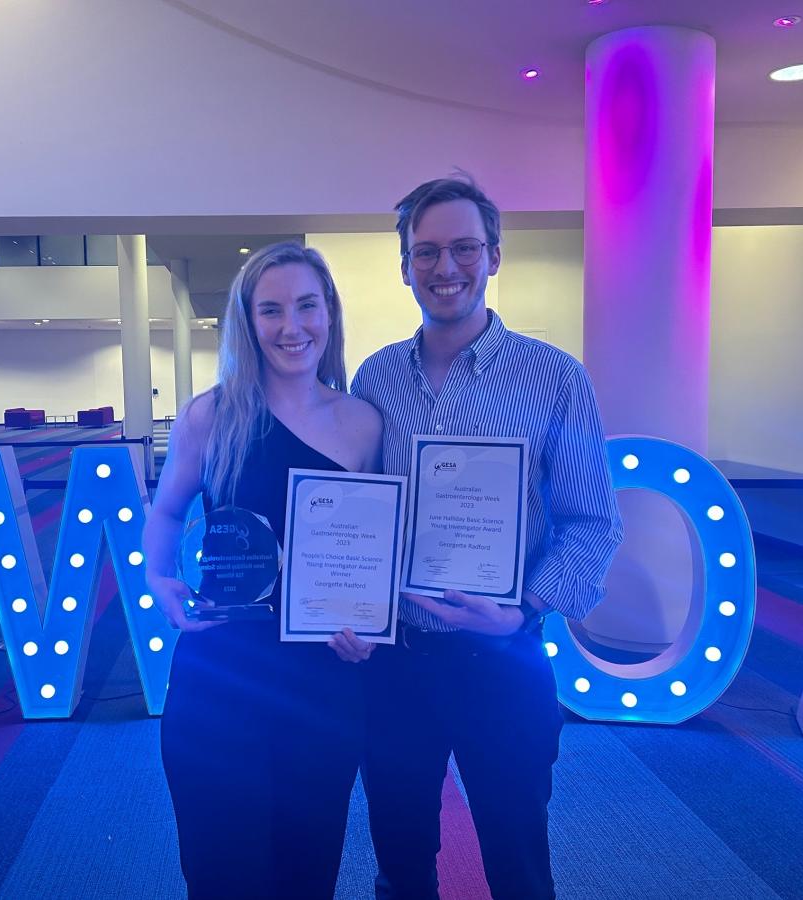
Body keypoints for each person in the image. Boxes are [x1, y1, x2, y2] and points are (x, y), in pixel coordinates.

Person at [348, 176, 623, 899]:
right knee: (399, 859)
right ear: (405, 264)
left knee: (517, 853)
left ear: (494, 255)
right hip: (396, 664)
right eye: (427, 252)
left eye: (464, 248)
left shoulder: (555, 378)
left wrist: (524, 608)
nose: (446, 269)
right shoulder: (374, 378)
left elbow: (591, 521)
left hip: (504, 656)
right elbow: (359, 517)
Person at [143, 241, 383, 900]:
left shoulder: (362, 423)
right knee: (222, 869)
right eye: (270, 310)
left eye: (307, 306)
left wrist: (370, 622)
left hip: (323, 678)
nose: (291, 327)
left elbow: (370, 547)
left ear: (328, 314)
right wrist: (160, 580)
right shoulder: (210, 415)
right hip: (222, 671)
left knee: (307, 867)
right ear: (247, 323)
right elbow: (165, 514)